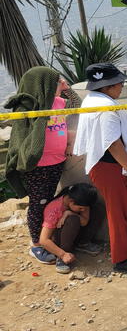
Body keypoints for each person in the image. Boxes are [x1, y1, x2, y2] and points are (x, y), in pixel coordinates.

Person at [73, 63, 127, 273]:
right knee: (119, 212)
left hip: (108, 166)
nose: (121, 87)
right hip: (110, 167)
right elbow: (112, 143)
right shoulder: (105, 108)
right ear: (107, 87)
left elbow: (112, 125)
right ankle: (121, 258)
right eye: (119, 83)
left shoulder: (95, 100)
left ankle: (126, 248)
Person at [3, 66, 78, 264]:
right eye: (55, 82)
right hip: (39, 164)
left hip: (57, 160)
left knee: (48, 199)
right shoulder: (30, 107)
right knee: (38, 203)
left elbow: (77, 104)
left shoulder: (58, 102)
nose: (59, 84)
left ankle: (46, 237)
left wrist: (66, 88)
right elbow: (21, 135)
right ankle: (37, 244)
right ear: (43, 85)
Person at [38, 183, 101, 274]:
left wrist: (69, 212)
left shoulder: (81, 201)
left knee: (98, 208)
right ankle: (63, 257)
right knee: (73, 220)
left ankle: (82, 243)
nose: (83, 210)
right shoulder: (54, 209)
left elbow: (84, 222)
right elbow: (43, 240)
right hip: (58, 241)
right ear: (71, 201)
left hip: (73, 233)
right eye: (80, 208)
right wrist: (62, 254)